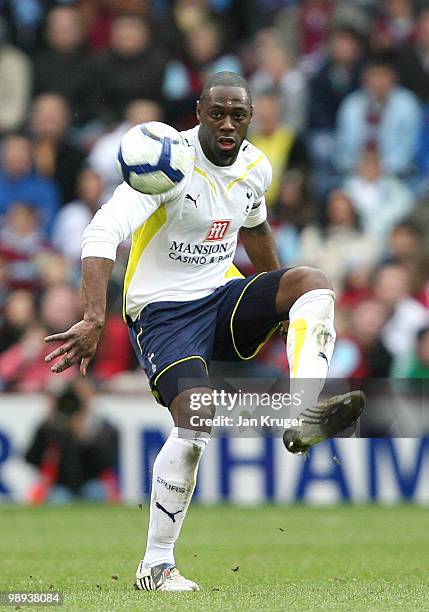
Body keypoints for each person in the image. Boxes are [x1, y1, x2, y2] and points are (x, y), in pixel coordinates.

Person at [44, 72, 364, 592]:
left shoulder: (256, 168)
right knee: (196, 421)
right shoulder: (167, 163)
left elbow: (256, 232)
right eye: (217, 113)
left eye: (238, 115)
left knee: (311, 284)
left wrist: (278, 304)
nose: (228, 125)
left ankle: (306, 410)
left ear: (251, 117)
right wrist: (94, 316)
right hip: (164, 313)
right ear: (198, 111)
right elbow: (102, 230)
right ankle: (156, 565)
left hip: (221, 295)